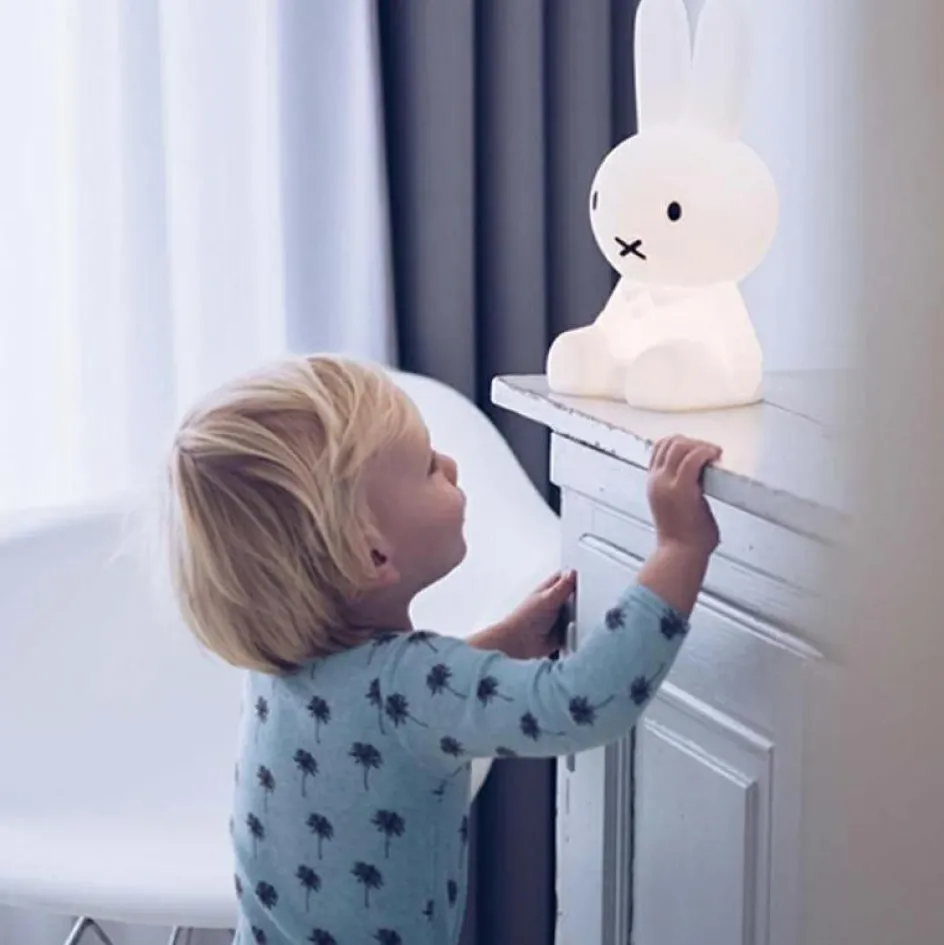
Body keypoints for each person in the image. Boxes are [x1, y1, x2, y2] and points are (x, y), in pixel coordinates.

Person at [164, 355, 721, 945]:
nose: (451, 466)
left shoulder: (277, 669)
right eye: (430, 466)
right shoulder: (409, 686)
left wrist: (504, 643)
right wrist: (679, 548)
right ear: (372, 554)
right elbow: (581, 701)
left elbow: (378, 718)